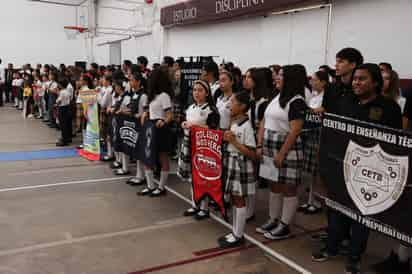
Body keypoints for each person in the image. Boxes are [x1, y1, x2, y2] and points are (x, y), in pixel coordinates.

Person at [314, 63, 402, 274]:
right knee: (336, 210)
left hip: (370, 171)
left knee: (362, 216)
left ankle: (354, 256)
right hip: (342, 165)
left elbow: (396, 141)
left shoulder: (389, 107)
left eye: (362, 79)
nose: (356, 83)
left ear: (376, 82)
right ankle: (332, 247)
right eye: (355, 79)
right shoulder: (345, 102)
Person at [256, 65, 307, 240]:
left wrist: (282, 154)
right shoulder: (276, 96)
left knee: (288, 187)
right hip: (269, 145)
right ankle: (273, 219)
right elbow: (263, 121)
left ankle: (285, 225)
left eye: (281, 75)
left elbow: (294, 131)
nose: (277, 77)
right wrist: (259, 144)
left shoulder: (297, 101)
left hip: (286, 148)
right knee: (274, 184)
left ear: (291, 79)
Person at [218, 91, 257, 248]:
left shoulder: (246, 126)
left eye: (232, 102)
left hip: (240, 165)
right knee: (234, 199)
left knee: (239, 200)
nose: (229, 105)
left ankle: (239, 235)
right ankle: (235, 231)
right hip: (231, 162)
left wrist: (234, 141)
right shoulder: (235, 122)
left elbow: (252, 153)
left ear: (242, 106)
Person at [178, 80, 220, 220]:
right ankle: (195, 204)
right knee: (192, 177)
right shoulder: (190, 108)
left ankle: (204, 208)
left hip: (204, 147)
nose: (196, 93)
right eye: (195, 90)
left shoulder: (211, 110)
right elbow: (187, 123)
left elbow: (214, 129)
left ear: (207, 93)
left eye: (200, 90)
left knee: (203, 177)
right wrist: (185, 124)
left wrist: (194, 127)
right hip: (188, 143)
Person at [138, 69, 174, 197]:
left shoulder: (164, 96)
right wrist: (145, 114)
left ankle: (161, 187)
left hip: (160, 128)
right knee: (147, 157)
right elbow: (149, 110)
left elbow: (170, 115)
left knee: (162, 157)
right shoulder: (151, 96)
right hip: (150, 128)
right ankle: (150, 185)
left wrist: (163, 121)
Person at [299, 71, 329, 215]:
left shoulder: (326, 97)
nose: (312, 82)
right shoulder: (314, 95)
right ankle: (310, 200)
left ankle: (316, 201)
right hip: (309, 134)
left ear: (323, 82)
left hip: (319, 134)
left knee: (316, 171)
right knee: (310, 172)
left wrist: (308, 111)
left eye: (315, 80)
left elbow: (321, 112)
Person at [125, 72, 149, 185]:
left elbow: (145, 112)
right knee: (136, 151)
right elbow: (130, 108)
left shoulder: (143, 95)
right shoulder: (133, 94)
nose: (130, 82)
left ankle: (141, 176)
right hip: (132, 125)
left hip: (140, 126)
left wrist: (137, 116)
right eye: (130, 80)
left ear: (138, 82)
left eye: (132, 80)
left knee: (140, 151)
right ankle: (138, 175)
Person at [56, 78, 73, 146]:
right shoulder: (67, 91)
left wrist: (56, 103)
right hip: (67, 107)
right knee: (67, 124)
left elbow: (58, 100)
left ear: (61, 85)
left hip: (62, 108)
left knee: (63, 125)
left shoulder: (62, 92)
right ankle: (68, 138)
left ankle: (64, 140)